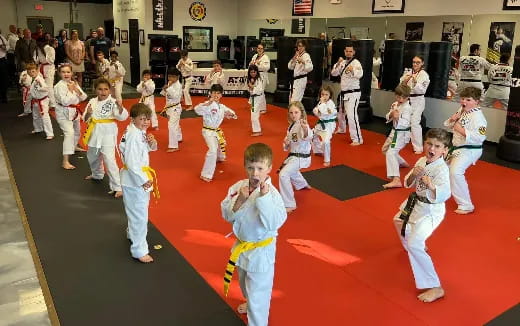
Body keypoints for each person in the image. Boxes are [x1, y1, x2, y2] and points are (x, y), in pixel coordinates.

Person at [221, 142, 287, 326]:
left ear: (269, 168)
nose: (255, 173)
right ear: (245, 167)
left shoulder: (272, 195)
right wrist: (240, 199)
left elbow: (275, 222)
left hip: (261, 252)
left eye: (260, 168)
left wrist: (264, 199)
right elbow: (227, 215)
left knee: (259, 292)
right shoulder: (238, 188)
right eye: (250, 168)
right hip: (242, 247)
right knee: (243, 283)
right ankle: (249, 301)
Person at [393, 128, 451, 303]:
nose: (432, 149)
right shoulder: (422, 160)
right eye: (429, 144)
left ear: (444, 150)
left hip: (431, 210)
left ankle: (436, 287)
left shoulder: (442, 169)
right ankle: (414, 248)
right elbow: (408, 183)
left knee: (414, 243)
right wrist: (414, 175)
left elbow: (445, 194)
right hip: (415, 203)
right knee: (397, 221)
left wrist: (432, 186)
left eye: (437, 146)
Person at [120, 103, 158, 264]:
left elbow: (146, 150)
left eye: (147, 119)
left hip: (133, 177)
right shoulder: (134, 135)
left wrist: (151, 142)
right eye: (142, 119)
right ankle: (139, 250)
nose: (145, 122)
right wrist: (144, 180)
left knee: (135, 211)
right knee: (140, 216)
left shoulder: (136, 131)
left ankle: (131, 233)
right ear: (133, 119)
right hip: (135, 178)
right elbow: (131, 160)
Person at [83, 77, 129, 198]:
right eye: (100, 89)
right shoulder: (92, 101)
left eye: (106, 89)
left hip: (108, 132)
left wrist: (120, 108)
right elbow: (85, 118)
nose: (103, 92)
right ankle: (97, 174)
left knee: (109, 159)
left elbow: (123, 117)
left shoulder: (112, 102)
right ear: (95, 90)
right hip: (94, 132)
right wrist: (88, 112)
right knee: (92, 155)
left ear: (110, 90)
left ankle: (117, 186)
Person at [443, 87, 487, 215]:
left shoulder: (478, 117)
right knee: (440, 167)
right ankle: (439, 193)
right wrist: (452, 119)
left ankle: (466, 205)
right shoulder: (463, 110)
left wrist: (460, 129)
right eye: (463, 99)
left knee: (455, 172)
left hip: (470, 149)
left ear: (477, 102)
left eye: (468, 100)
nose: (464, 102)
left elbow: (480, 138)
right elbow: (449, 124)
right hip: (457, 147)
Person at [194, 84, 237, 182]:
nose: (216, 95)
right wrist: (207, 104)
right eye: (214, 93)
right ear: (210, 93)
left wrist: (231, 114)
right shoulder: (207, 104)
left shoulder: (222, 106)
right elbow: (197, 109)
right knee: (212, 150)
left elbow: (233, 113)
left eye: (218, 93)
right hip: (208, 130)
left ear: (221, 95)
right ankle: (206, 174)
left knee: (219, 143)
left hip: (216, 130)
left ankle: (220, 157)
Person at [279, 101, 313, 213]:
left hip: (301, 156)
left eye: (296, 112)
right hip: (294, 156)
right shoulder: (291, 127)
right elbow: (289, 143)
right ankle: (302, 184)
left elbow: (307, 136)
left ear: (301, 113)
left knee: (283, 174)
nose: (293, 115)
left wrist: (305, 129)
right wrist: (286, 143)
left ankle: (289, 203)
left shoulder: (303, 124)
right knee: (291, 169)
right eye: (291, 112)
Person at [54, 63, 88, 170]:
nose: (66, 74)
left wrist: (76, 89)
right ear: (59, 74)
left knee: (77, 131)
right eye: (63, 72)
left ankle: (74, 147)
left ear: (71, 73)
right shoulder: (59, 86)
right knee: (70, 133)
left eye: (68, 72)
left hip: (74, 112)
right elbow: (64, 101)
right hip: (63, 113)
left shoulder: (74, 83)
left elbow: (84, 97)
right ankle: (65, 161)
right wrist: (71, 91)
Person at [330, 43, 364, 145]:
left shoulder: (356, 63)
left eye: (350, 51)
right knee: (340, 113)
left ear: (354, 52)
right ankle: (341, 128)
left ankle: (357, 139)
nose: (348, 53)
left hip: (353, 93)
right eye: (347, 51)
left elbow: (360, 74)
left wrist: (352, 70)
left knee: (351, 115)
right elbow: (334, 73)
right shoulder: (343, 62)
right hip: (344, 93)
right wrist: (337, 63)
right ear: (344, 52)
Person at [382, 84, 412, 189]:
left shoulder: (407, 108)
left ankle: (396, 179)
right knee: (385, 150)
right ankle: (402, 162)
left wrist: (398, 118)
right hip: (394, 132)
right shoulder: (395, 104)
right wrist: (391, 115)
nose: (400, 99)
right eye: (398, 97)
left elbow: (407, 123)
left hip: (401, 133)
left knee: (391, 152)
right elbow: (387, 115)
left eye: (403, 97)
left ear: (407, 97)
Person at [400, 56, 430, 154]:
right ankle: (403, 141)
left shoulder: (424, 75)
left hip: (418, 99)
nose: (415, 64)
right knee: (405, 121)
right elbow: (401, 85)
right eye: (414, 62)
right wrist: (406, 80)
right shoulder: (409, 72)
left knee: (414, 122)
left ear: (422, 63)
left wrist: (415, 81)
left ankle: (418, 147)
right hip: (408, 99)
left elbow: (422, 90)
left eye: (418, 62)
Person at [311, 85, 337, 167]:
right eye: (322, 94)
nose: (324, 96)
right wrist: (318, 110)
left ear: (330, 95)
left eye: (326, 94)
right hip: (320, 123)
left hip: (328, 125)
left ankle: (327, 160)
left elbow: (326, 112)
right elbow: (315, 111)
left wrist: (321, 106)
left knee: (326, 142)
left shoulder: (331, 104)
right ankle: (318, 150)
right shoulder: (320, 102)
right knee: (312, 136)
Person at [27, 63, 53, 139]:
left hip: (42, 101)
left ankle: (50, 133)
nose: (31, 73)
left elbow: (46, 88)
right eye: (29, 72)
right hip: (35, 100)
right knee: (35, 116)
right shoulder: (32, 79)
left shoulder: (39, 79)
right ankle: (38, 128)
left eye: (33, 71)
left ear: (37, 71)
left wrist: (39, 88)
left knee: (45, 116)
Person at [160, 68, 183, 152]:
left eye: (173, 77)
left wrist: (168, 89)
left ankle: (174, 146)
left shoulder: (178, 85)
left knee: (171, 125)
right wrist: (164, 89)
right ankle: (179, 137)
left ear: (178, 77)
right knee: (175, 123)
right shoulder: (170, 83)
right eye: (169, 76)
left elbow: (176, 96)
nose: (171, 78)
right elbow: (165, 94)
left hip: (175, 108)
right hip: (169, 107)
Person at [34, 37, 56, 107]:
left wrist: (44, 52)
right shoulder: (37, 49)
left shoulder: (50, 48)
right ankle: (44, 101)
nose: (37, 44)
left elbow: (51, 60)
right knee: (40, 85)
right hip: (40, 67)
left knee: (49, 86)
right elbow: (36, 60)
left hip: (49, 67)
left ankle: (52, 103)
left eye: (38, 43)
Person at [249, 43, 270, 113]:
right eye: (258, 48)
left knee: (260, 92)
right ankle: (254, 106)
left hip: (262, 76)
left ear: (264, 49)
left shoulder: (265, 57)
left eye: (261, 48)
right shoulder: (255, 56)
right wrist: (251, 63)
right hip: (254, 75)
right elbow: (250, 65)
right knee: (253, 90)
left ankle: (263, 108)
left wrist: (258, 64)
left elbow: (267, 68)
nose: (259, 50)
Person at [247, 64, 265, 137]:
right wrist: (251, 87)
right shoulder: (251, 79)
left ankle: (257, 130)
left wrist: (252, 87)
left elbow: (259, 90)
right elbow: (249, 90)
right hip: (254, 98)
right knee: (255, 114)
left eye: (254, 72)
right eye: (251, 72)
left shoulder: (259, 79)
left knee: (253, 114)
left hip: (257, 98)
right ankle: (257, 129)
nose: (253, 74)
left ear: (257, 72)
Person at [0, 29, 8, 103]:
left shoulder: (2, 38)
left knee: (3, 79)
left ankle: (4, 96)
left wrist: (4, 47)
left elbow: (8, 47)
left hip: (2, 60)